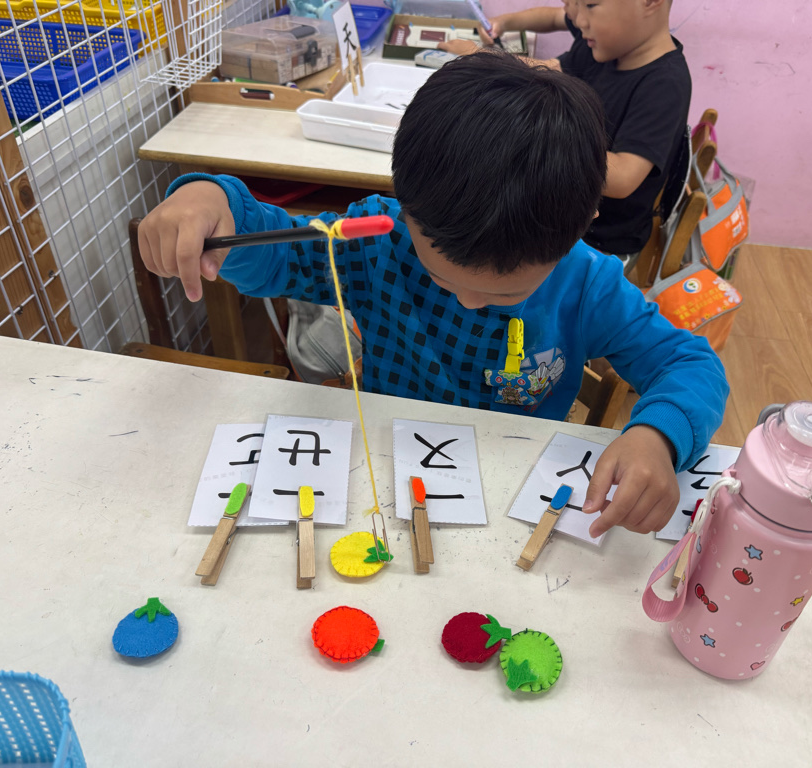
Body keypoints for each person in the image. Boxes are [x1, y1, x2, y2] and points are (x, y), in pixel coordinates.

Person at [137, 52, 727, 536]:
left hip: (509, 498)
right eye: (444, 279)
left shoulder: (588, 284)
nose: (469, 303)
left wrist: (657, 434)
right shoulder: (376, 239)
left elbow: (690, 364)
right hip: (384, 479)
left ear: (582, 225)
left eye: (506, 293)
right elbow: (278, 253)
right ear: (405, 202)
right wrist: (213, 201)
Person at [441, 0, 690, 269]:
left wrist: (536, 139)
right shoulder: (603, 43)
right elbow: (550, 61)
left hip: (597, 240)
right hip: (556, 205)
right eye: (572, 4)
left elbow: (622, 178)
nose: (577, 19)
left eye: (590, 5)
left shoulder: (664, 85)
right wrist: (497, 36)